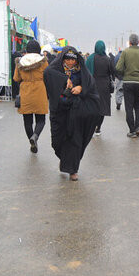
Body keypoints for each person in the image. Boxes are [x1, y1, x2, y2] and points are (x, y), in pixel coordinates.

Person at [43, 47, 100, 181]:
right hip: (59, 111)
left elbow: (91, 86)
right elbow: (47, 74)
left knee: (75, 140)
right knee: (57, 142)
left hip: (76, 112)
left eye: (72, 60)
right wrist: (64, 81)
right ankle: (65, 160)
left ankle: (73, 169)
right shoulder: (55, 70)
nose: (70, 62)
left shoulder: (81, 71)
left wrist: (81, 88)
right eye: (67, 59)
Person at [13, 40, 48, 153]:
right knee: (41, 120)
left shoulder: (20, 62)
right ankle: (35, 136)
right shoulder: (43, 62)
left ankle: (31, 140)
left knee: (27, 121)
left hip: (26, 92)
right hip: (40, 91)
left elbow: (16, 78)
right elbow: (48, 76)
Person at [115, 34, 139, 138]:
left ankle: (132, 130)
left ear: (130, 42)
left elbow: (118, 67)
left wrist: (124, 74)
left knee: (129, 107)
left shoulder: (125, 52)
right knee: (137, 106)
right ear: (138, 42)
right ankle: (138, 127)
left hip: (128, 82)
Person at [85, 40, 116, 135]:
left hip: (93, 85)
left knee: (93, 106)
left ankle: (93, 125)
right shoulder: (107, 59)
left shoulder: (90, 58)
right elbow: (112, 72)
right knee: (102, 107)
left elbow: (85, 71)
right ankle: (98, 127)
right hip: (104, 86)